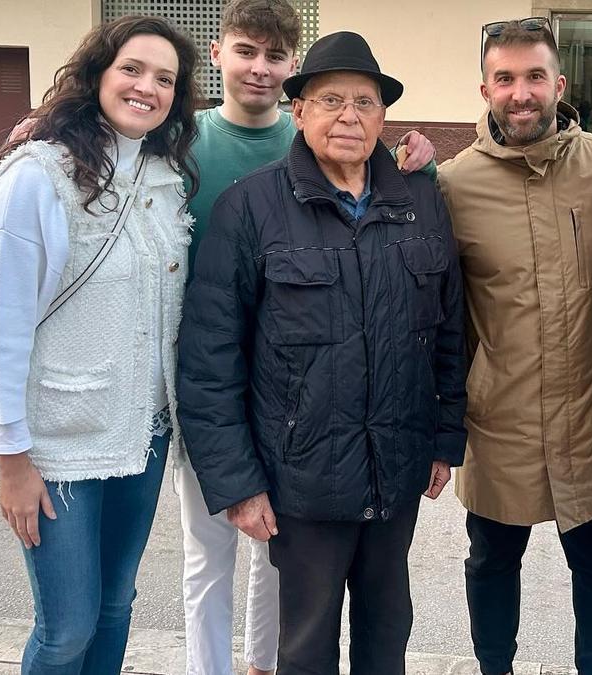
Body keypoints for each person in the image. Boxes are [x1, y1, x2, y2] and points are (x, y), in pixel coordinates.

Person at [176, 31, 466, 675]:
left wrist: (445, 440)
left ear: (383, 116)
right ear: (298, 111)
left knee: (387, 629)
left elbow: (448, 330)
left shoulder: (419, 201)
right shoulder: (249, 208)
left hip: (396, 464)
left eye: (364, 102)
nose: (348, 116)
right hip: (300, 476)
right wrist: (239, 482)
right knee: (304, 645)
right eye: (330, 100)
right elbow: (210, 359)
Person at [0, 16, 200, 674]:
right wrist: (13, 459)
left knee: (115, 605)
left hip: (144, 436)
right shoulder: (37, 175)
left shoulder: (164, 176)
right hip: (57, 445)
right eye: (132, 68)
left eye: (165, 79)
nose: (146, 86)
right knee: (66, 626)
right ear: (98, 72)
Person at [437, 18, 592, 675]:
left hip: (590, 421)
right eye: (505, 79)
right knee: (491, 562)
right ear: (485, 88)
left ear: (559, 82)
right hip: (499, 423)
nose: (520, 92)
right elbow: (439, 311)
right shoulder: (453, 185)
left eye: (532, 77)